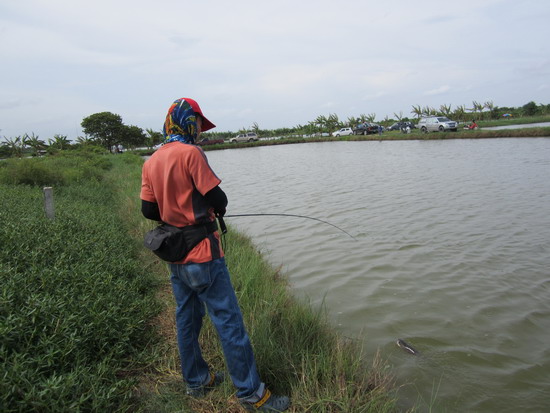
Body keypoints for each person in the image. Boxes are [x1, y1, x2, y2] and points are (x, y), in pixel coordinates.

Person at [140, 97, 290, 412]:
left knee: (187, 321)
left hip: (176, 256)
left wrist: (176, 209)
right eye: (197, 124)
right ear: (187, 121)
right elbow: (218, 199)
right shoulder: (191, 154)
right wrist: (205, 208)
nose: (199, 132)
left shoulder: (151, 160)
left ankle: (197, 382)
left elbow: (148, 209)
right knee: (229, 323)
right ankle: (252, 395)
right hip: (203, 255)